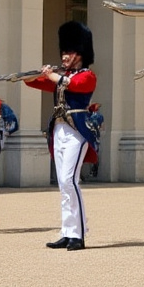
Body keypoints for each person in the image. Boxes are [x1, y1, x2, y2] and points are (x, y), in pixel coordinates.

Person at [26, 22, 99, 250]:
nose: (65, 56)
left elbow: (73, 84)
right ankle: (68, 232)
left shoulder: (87, 75)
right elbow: (32, 82)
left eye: (70, 52)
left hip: (77, 131)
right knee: (63, 183)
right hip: (59, 129)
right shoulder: (61, 76)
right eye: (64, 51)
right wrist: (38, 73)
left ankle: (78, 234)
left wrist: (53, 76)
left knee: (70, 181)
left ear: (81, 54)